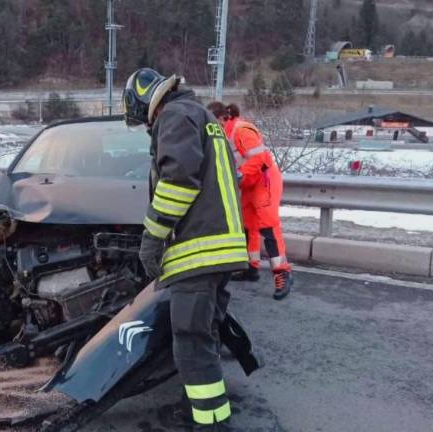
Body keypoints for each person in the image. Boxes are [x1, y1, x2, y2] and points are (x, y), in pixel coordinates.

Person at [124, 68, 248, 431]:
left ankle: (210, 424)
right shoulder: (204, 116)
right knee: (204, 337)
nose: (147, 128)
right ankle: (200, 409)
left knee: (191, 341)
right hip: (221, 251)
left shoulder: (175, 116)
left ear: (146, 101)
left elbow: (179, 182)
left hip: (198, 252)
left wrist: (152, 237)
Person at [207, 101, 293, 300]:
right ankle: (251, 268)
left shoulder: (240, 130)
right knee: (248, 226)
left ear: (221, 118)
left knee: (268, 226)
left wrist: (238, 175)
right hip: (250, 183)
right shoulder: (225, 134)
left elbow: (261, 159)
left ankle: (283, 273)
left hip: (264, 181)